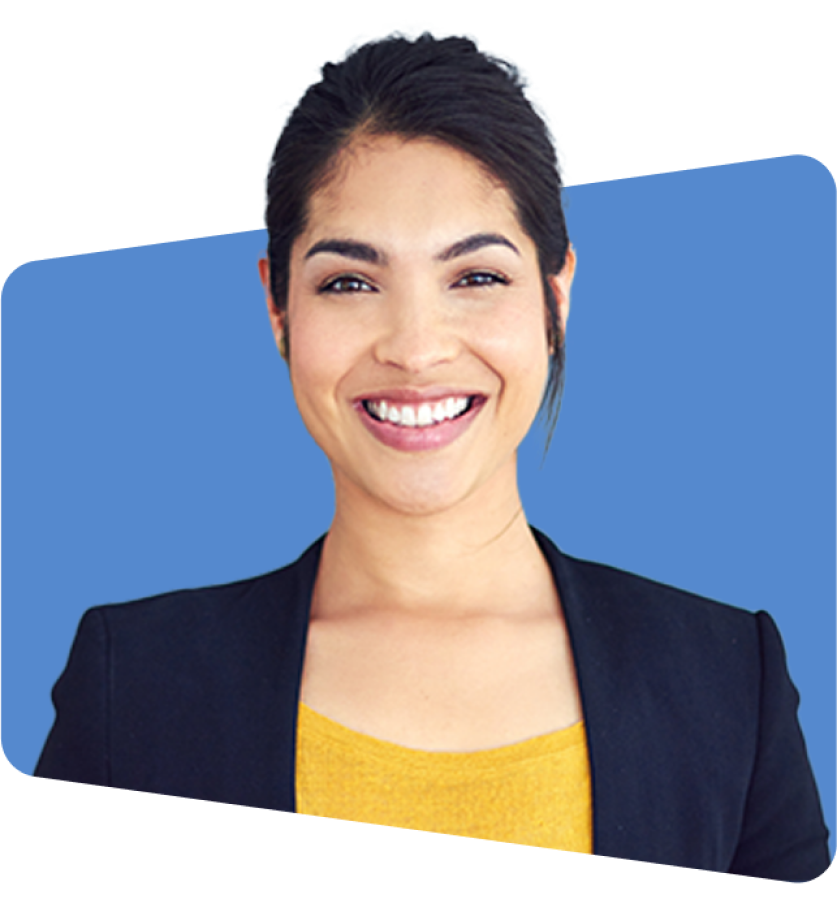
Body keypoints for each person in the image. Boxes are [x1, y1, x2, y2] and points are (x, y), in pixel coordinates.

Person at [33, 26, 830, 879]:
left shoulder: (725, 681)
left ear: (554, 295)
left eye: (475, 277)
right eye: (349, 281)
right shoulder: (133, 686)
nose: (415, 349)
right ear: (276, 306)